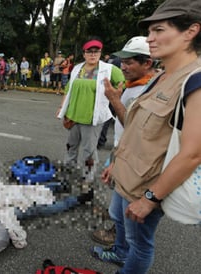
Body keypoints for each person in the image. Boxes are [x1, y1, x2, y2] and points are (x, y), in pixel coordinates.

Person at [90, 1, 201, 273]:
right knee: (121, 227)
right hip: (129, 174)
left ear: (191, 31)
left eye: (159, 30)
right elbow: (139, 130)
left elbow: (193, 154)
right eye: (149, 31)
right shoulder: (161, 76)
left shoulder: (195, 81)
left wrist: (150, 199)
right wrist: (116, 162)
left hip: (147, 185)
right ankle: (119, 254)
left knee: (139, 244)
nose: (150, 38)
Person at [91, 36, 155, 246]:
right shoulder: (135, 84)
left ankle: (119, 235)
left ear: (147, 63)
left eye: (129, 62)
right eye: (122, 61)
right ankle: (116, 221)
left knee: (128, 198)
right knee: (114, 187)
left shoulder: (149, 90)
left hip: (134, 158)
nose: (123, 66)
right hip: (121, 150)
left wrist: (115, 101)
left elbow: (135, 127)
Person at [56, 39, 124, 168]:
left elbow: (122, 82)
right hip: (73, 115)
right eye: (89, 52)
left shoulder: (109, 69)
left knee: (89, 151)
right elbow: (68, 89)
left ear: (100, 53)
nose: (93, 55)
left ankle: (88, 180)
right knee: (71, 147)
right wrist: (62, 107)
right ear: (84, 54)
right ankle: (68, 172)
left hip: (92, 117)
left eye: (96, 51)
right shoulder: (77, 68)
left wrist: (115, 95)